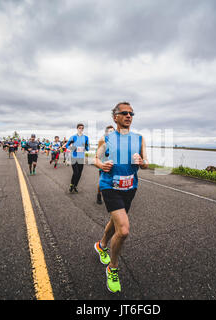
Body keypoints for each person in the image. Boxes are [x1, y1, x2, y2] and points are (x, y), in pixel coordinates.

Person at [94, 102, 148, 293]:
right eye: (124, 113)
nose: (129, 116)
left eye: (131, 113)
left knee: (116, 222)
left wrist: (142, 162)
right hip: (109, 186)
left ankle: (101, 245)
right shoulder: (106, 139)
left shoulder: (139, 138)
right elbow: (96, 159)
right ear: (115, 117)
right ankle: (113, 268)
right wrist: (101, 166)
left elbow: (146, 163)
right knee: (123, 230)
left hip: (130, 187)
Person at [65, 124, 89, 194]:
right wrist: (74, 148)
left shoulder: (86, 138)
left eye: (82, 128)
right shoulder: (73, 137)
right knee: (76, 172)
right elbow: (67, 145)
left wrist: (86, 147)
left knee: (79, 174)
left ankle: (75, 186)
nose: (80, 129)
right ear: (77, 128)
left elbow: (88, 148)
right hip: (74, 157)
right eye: (79, 128)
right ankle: (71, 185)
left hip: (81, 157)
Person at [96, 125, 115, 204]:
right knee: (101, 181)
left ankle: (113, 197)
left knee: (114, 181)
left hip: (114, 164)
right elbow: (97, 154)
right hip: (104, 163)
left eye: (113, 131)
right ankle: (99, 194)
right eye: (109, 131)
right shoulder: (102, 140)